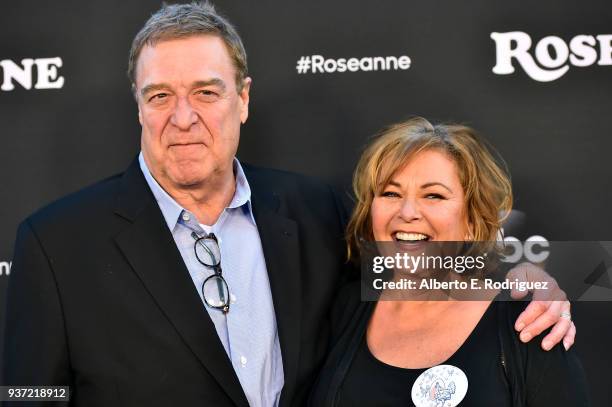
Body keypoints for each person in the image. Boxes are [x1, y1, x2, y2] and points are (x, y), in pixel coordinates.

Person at [1, 3, 575, 406]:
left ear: (242, 99)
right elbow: (28, 394)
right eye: (160, 97)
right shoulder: (57, 243)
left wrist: (525, 278)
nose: (183, 118)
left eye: (206, 91)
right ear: (139, 106)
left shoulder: (312, 211)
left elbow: (414, 273)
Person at [309, 117, 589, 406]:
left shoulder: (528, 322)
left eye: (433, 195)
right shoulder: (341, 310)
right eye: (391, 193)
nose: (407, 212)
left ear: (471, 220)